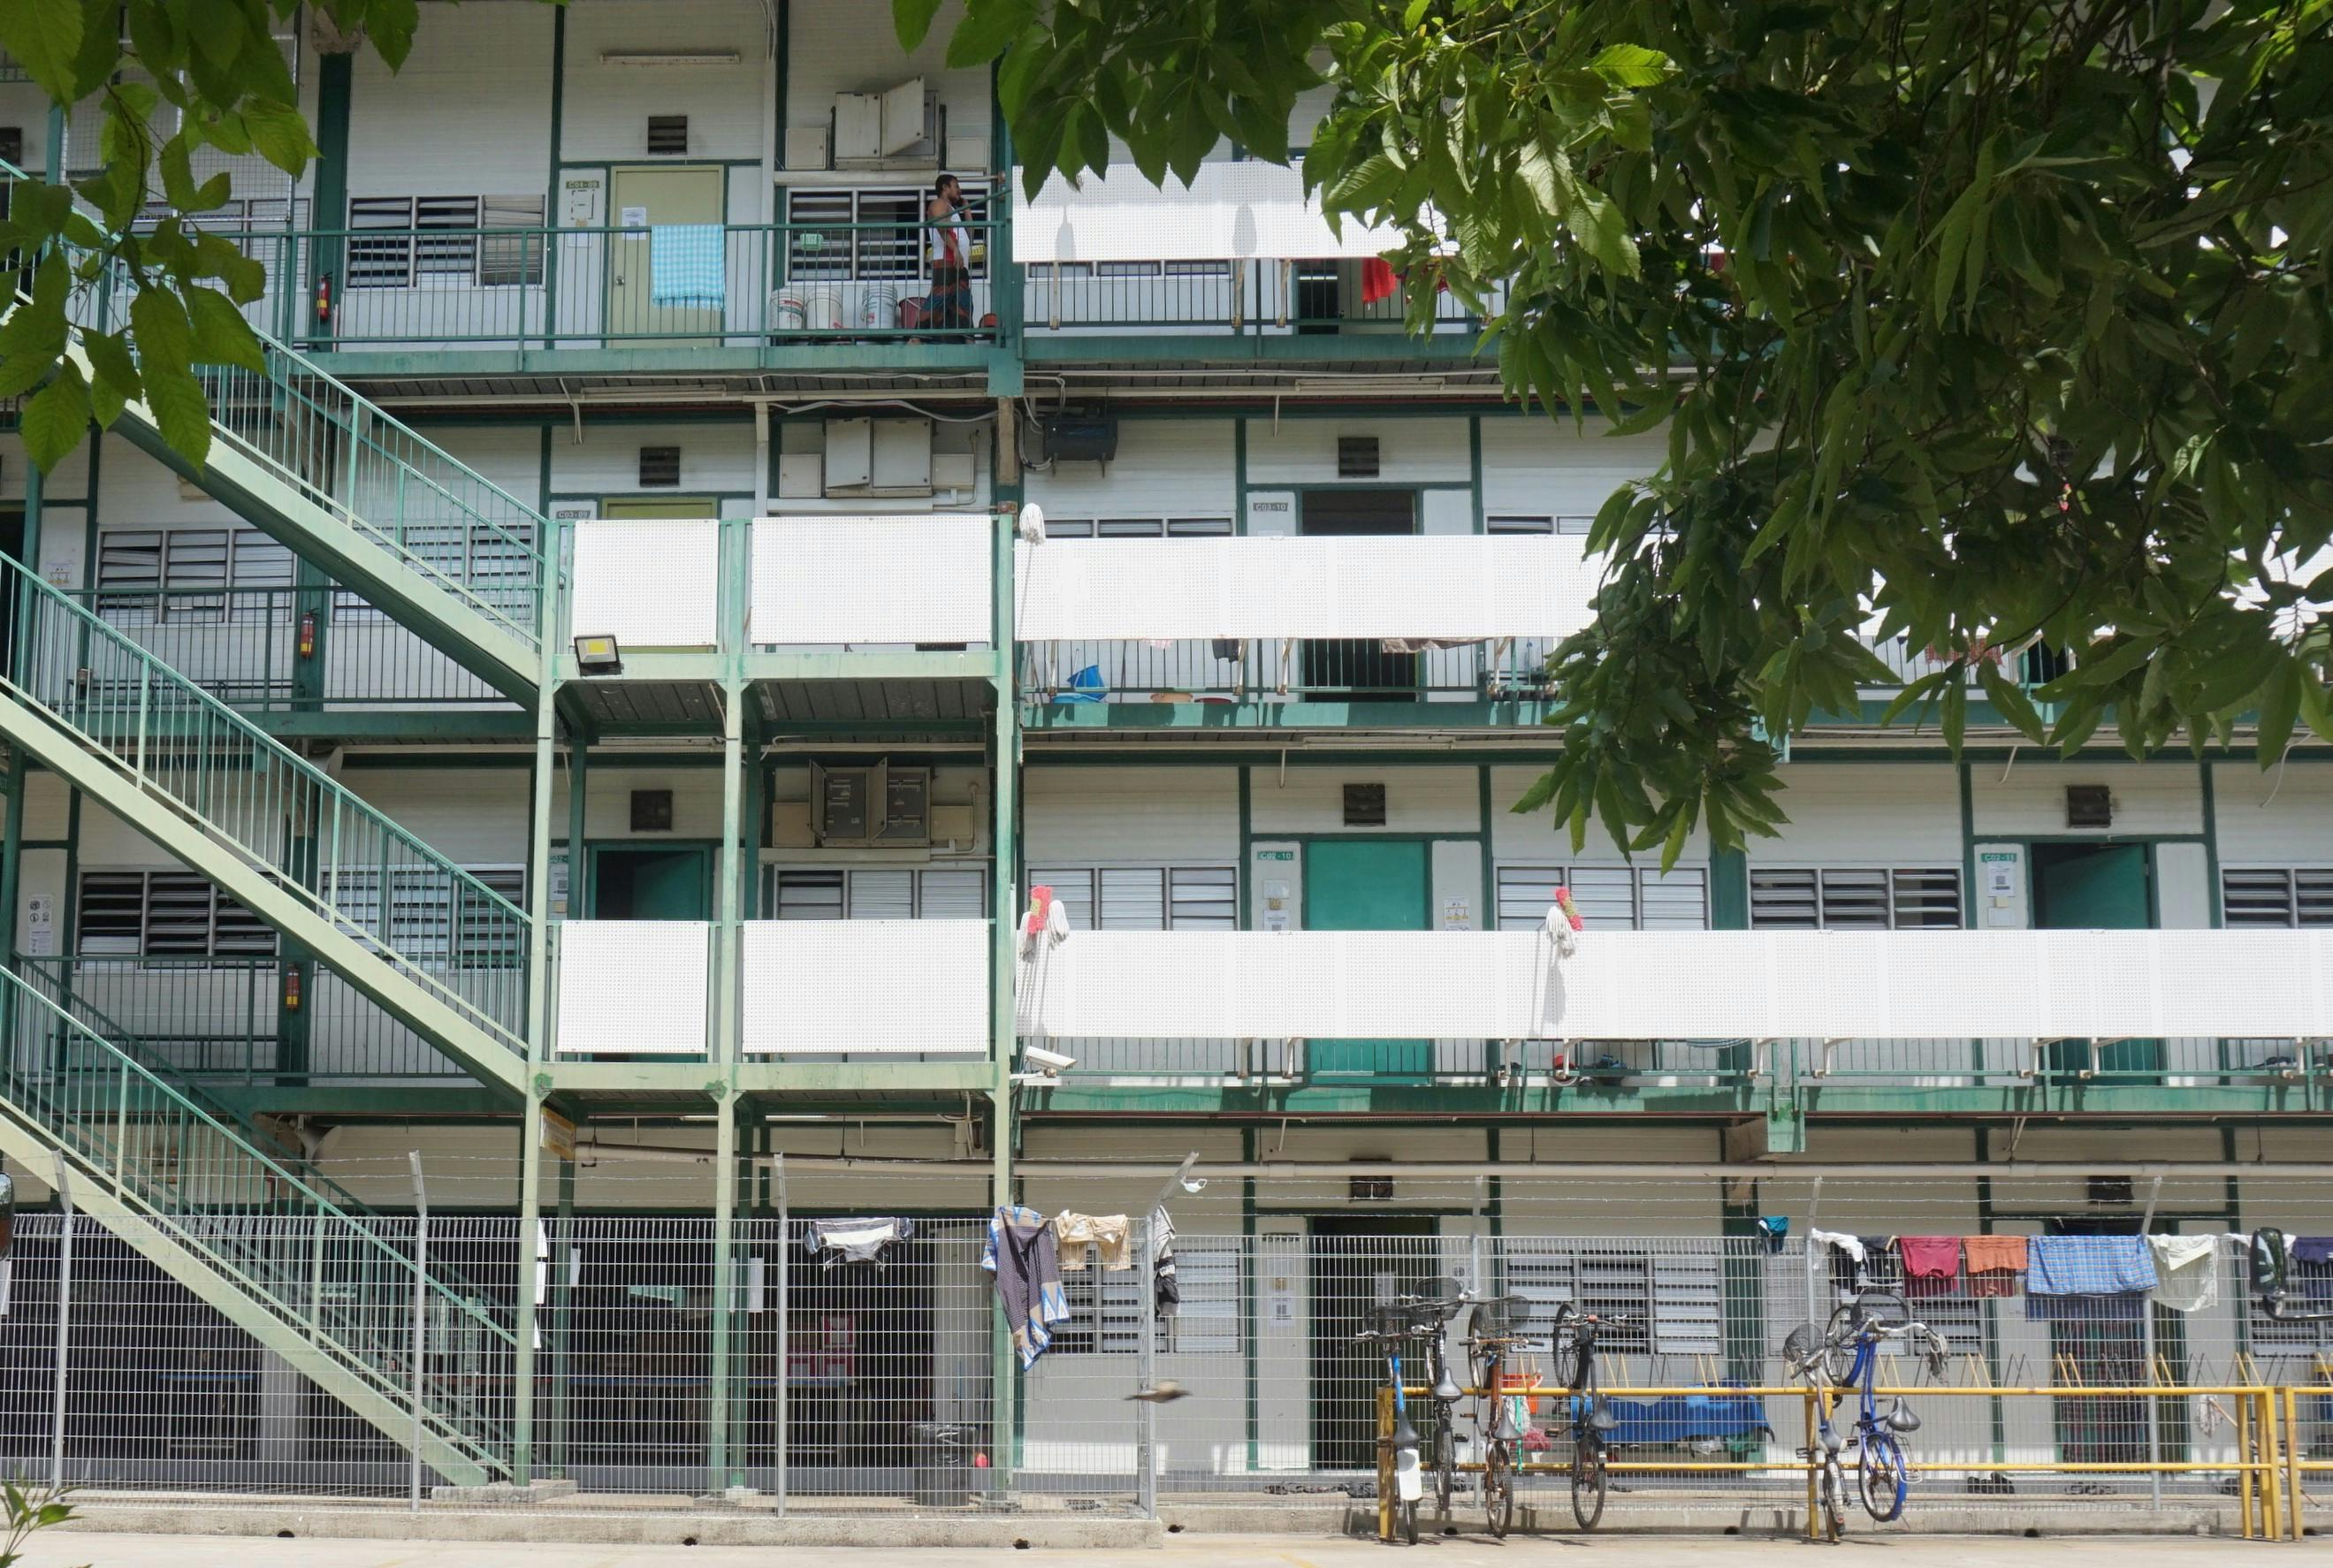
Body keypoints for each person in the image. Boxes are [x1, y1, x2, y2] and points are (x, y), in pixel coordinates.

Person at [925, 173, 974, 331]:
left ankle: (965, 337)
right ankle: (917, 336)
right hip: (947, 260)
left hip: (958, 264)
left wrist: (967, 212)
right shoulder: (939, 204)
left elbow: (969, 236)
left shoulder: (952, 210)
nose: (959, 190)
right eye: (956, 186)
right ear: (945, 188)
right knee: (938, 300)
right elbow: (941, 228)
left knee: (963, 303)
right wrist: (955, 250)